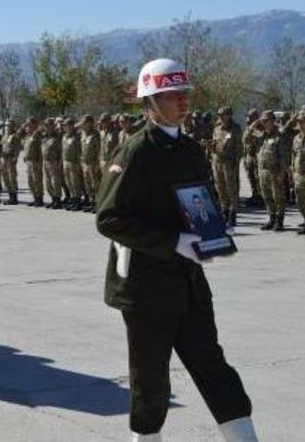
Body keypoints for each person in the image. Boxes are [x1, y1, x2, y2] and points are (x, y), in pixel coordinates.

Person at [97, 58, 257, 442]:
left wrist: (208, 232)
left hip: (188, 281)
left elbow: (200, 199)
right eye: (172, 95)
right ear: (149, 101)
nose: (183, 102)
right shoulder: (135, 153)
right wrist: (172, 242)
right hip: (146, 287)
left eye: (185, 94)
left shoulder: (188, 148)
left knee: (212, 365)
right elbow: (109, 218)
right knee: (151, 378)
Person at [254, 111, 289, 231]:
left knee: (278, 197)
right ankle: (272, 218)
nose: (263, 123)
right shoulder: (262, 136)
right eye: (262, 121)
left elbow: (284, 157)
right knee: (266, 196)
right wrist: (255, 124)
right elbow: (245, 139)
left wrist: (282, 173)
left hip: (275, 172)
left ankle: (280, 221)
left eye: (266, 120)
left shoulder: (279, 136)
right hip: (263, 172)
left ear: (272, 121)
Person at [211, 106, 243, 228]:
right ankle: (224, 213)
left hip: (229, 163)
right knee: (220, 188)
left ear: (229, 115)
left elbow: (239, 148)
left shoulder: (235, 129)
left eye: (223, 114)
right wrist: (210, 145)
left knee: (231, 189)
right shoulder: (217, 129)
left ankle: (232, 215)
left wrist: (236, 163)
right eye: (219, 114)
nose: (220, 117)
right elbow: (214, 145)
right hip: (217, 162)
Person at [61, 117, 85, 211]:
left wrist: (80, 162)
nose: (66, 128)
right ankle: (73, 200)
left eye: (68, 126)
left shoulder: (77, 136)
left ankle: (78, 201)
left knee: (76, 183)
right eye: (65, 126)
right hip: (66, 161)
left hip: (74, 162)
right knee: (69, 182)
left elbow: (80, 150)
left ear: (72, 126)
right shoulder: (64, 137)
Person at [80, 114, 102, 212]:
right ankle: (91, 202)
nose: (83, 125)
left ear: (90, 123)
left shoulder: (95, 134)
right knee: (88, 184)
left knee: (95, 184)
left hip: (93, 163)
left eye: (85, 123)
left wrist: (98, 163)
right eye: (83, 123)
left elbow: (99, 150)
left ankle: (98, 204)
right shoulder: (83, 134)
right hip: (85, 163)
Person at [241, 109, 263, 207]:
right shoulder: (248, 128)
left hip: (257, 157)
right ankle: (255, 195)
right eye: (248, 116)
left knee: (258, 178)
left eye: (250, 117)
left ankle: (261, 197)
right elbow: (244, 140)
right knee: (251, 178)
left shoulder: (261, 128)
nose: (248, 119)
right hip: (248, 156)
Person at [41, 117, 64, 209]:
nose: (47, 127)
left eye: (49, 125)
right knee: (48, 182)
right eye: (46, 125)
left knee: (55, 182)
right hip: (46, 161)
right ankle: (53, 199)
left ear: (53, 126)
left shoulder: (57, 137)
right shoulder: (44, 137)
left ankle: (58, 201)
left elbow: (62, 151)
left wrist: (60, 162)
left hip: (54, 162)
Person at [21, 116, 44, 207]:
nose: (28, 126)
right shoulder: (28, 136)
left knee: (37, 180)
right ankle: (35, 198)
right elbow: (19, 133)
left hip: (36, 161)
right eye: (27, 125)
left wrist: (36, 128)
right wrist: (24, 126)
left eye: (30, 124)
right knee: (30, 181)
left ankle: (39, 199)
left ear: (34, 125)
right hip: (29, 161)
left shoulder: (37, 134)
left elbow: (41, 129)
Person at [0, 119, 21, 205]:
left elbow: (17, 148)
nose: (7, 127)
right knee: (5, 178)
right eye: (6, 125)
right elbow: (1, 145)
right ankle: (10, 196)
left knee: (12, 178)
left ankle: (14, 197)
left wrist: (15, 158)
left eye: (9, 125)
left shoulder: (15, 136)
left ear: (13, 127)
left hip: (10, 159)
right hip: (4, 159)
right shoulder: (4, 136)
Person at [291, 115, 305, 235]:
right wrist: (292, 171)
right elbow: (293, 155)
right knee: (300, 200)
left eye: (302, 121)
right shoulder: (296, 138)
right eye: (299, 122)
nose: (300, 124)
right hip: (299, 174)